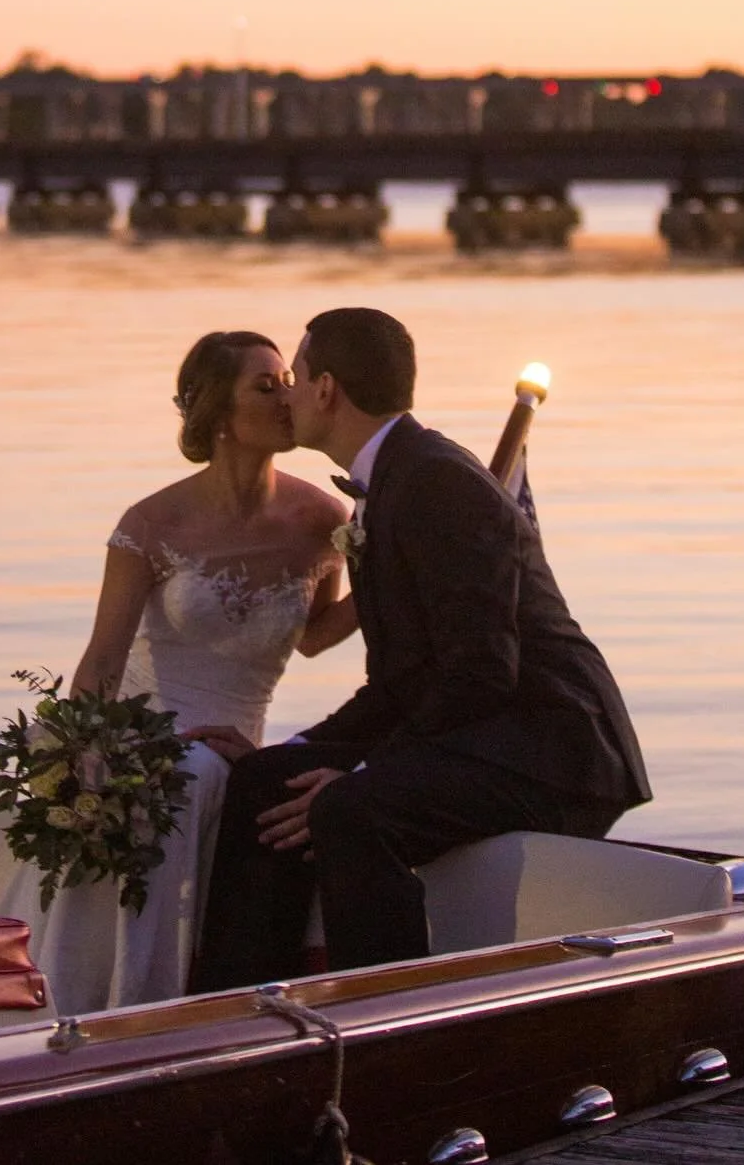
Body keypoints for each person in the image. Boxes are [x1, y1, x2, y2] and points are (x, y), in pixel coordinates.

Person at [192, 307, 651, 989]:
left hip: (550, 750)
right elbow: (403, 681)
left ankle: (386, 1016)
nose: (287, 394)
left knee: (352, 811)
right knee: (266, 781)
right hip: (478, 731)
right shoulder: (387, 484)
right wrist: (294, 748)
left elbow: (484, 670)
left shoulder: (438, 481)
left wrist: (368, 769)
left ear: (327, 389)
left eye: (298, 375)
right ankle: (239, 1006)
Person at [0, 331, 354, 1011]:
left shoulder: (323, 517)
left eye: (288, 379)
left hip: (236, 736)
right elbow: (102, 660)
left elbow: (313, 636)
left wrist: (390, 572)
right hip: (149, 733)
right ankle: (98, 1006)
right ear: (220, 414)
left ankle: (164, 1005)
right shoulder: (153, 521)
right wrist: (84, 759)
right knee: (171, 781)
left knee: (200, 776)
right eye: (265, 385)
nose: (288, 395)